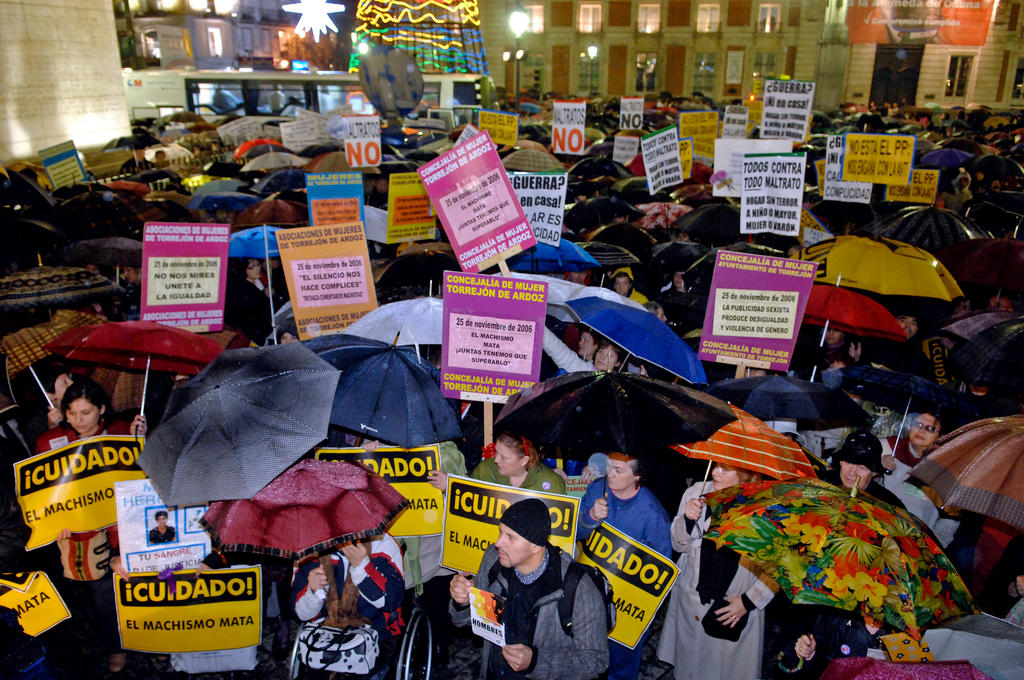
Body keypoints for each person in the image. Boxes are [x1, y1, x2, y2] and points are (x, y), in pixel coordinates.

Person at [449, 499, 610, 680]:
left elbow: (596, 660)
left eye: (510, 537)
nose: (498, 542)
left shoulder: (578, 587)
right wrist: (462, 602)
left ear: (535, 546)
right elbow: (463, 621)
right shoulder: (493, 560)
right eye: (500, 532)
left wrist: (536, 662)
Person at [657, 464, 775, 680]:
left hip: (732, 606)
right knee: (688, 667)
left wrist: (747, 602)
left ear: (745, 475)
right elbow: (678, 544)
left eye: (725, 470)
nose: (715, 473)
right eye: (716, 466)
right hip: (691, 598)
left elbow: (779, 567)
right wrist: (687, 520)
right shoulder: (696, 492)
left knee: (721, 670)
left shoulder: (763, 508)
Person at [577, 453, 670, 680]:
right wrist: (590, 516)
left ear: (637, 476)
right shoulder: (597, 489)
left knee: (620, 663)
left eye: (619, 470)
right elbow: (574, 532)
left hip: (624, 605)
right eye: (609, 467)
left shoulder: (653, 514)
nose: (610, 474)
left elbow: (660, 574)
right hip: (588, 592)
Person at [291, 533, 406, 679]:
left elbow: (391, 601)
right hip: (326, 634)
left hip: (376, 633)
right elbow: (303, 614)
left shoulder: (383, 544)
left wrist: (361, 566)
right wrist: (313, 591)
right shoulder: (308, 548)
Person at [35, 376, 146, 454]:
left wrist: (139, 440)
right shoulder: (47, 442)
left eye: (86, 413)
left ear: (101, 409)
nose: (78, 420)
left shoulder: (124, 432)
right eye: (72, 413)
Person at [821, 431, 905, 510]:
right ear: (841, 462)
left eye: (862, 468)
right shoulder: (822, 482)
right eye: (848, 463)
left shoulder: (888, 505)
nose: (852, 472)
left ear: (874, 473)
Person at [469, 431, 566, 494]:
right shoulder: (486, 470)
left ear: (523, 461)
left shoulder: (551, 483)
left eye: (503, 457)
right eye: (496, 451)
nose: (496, 460)